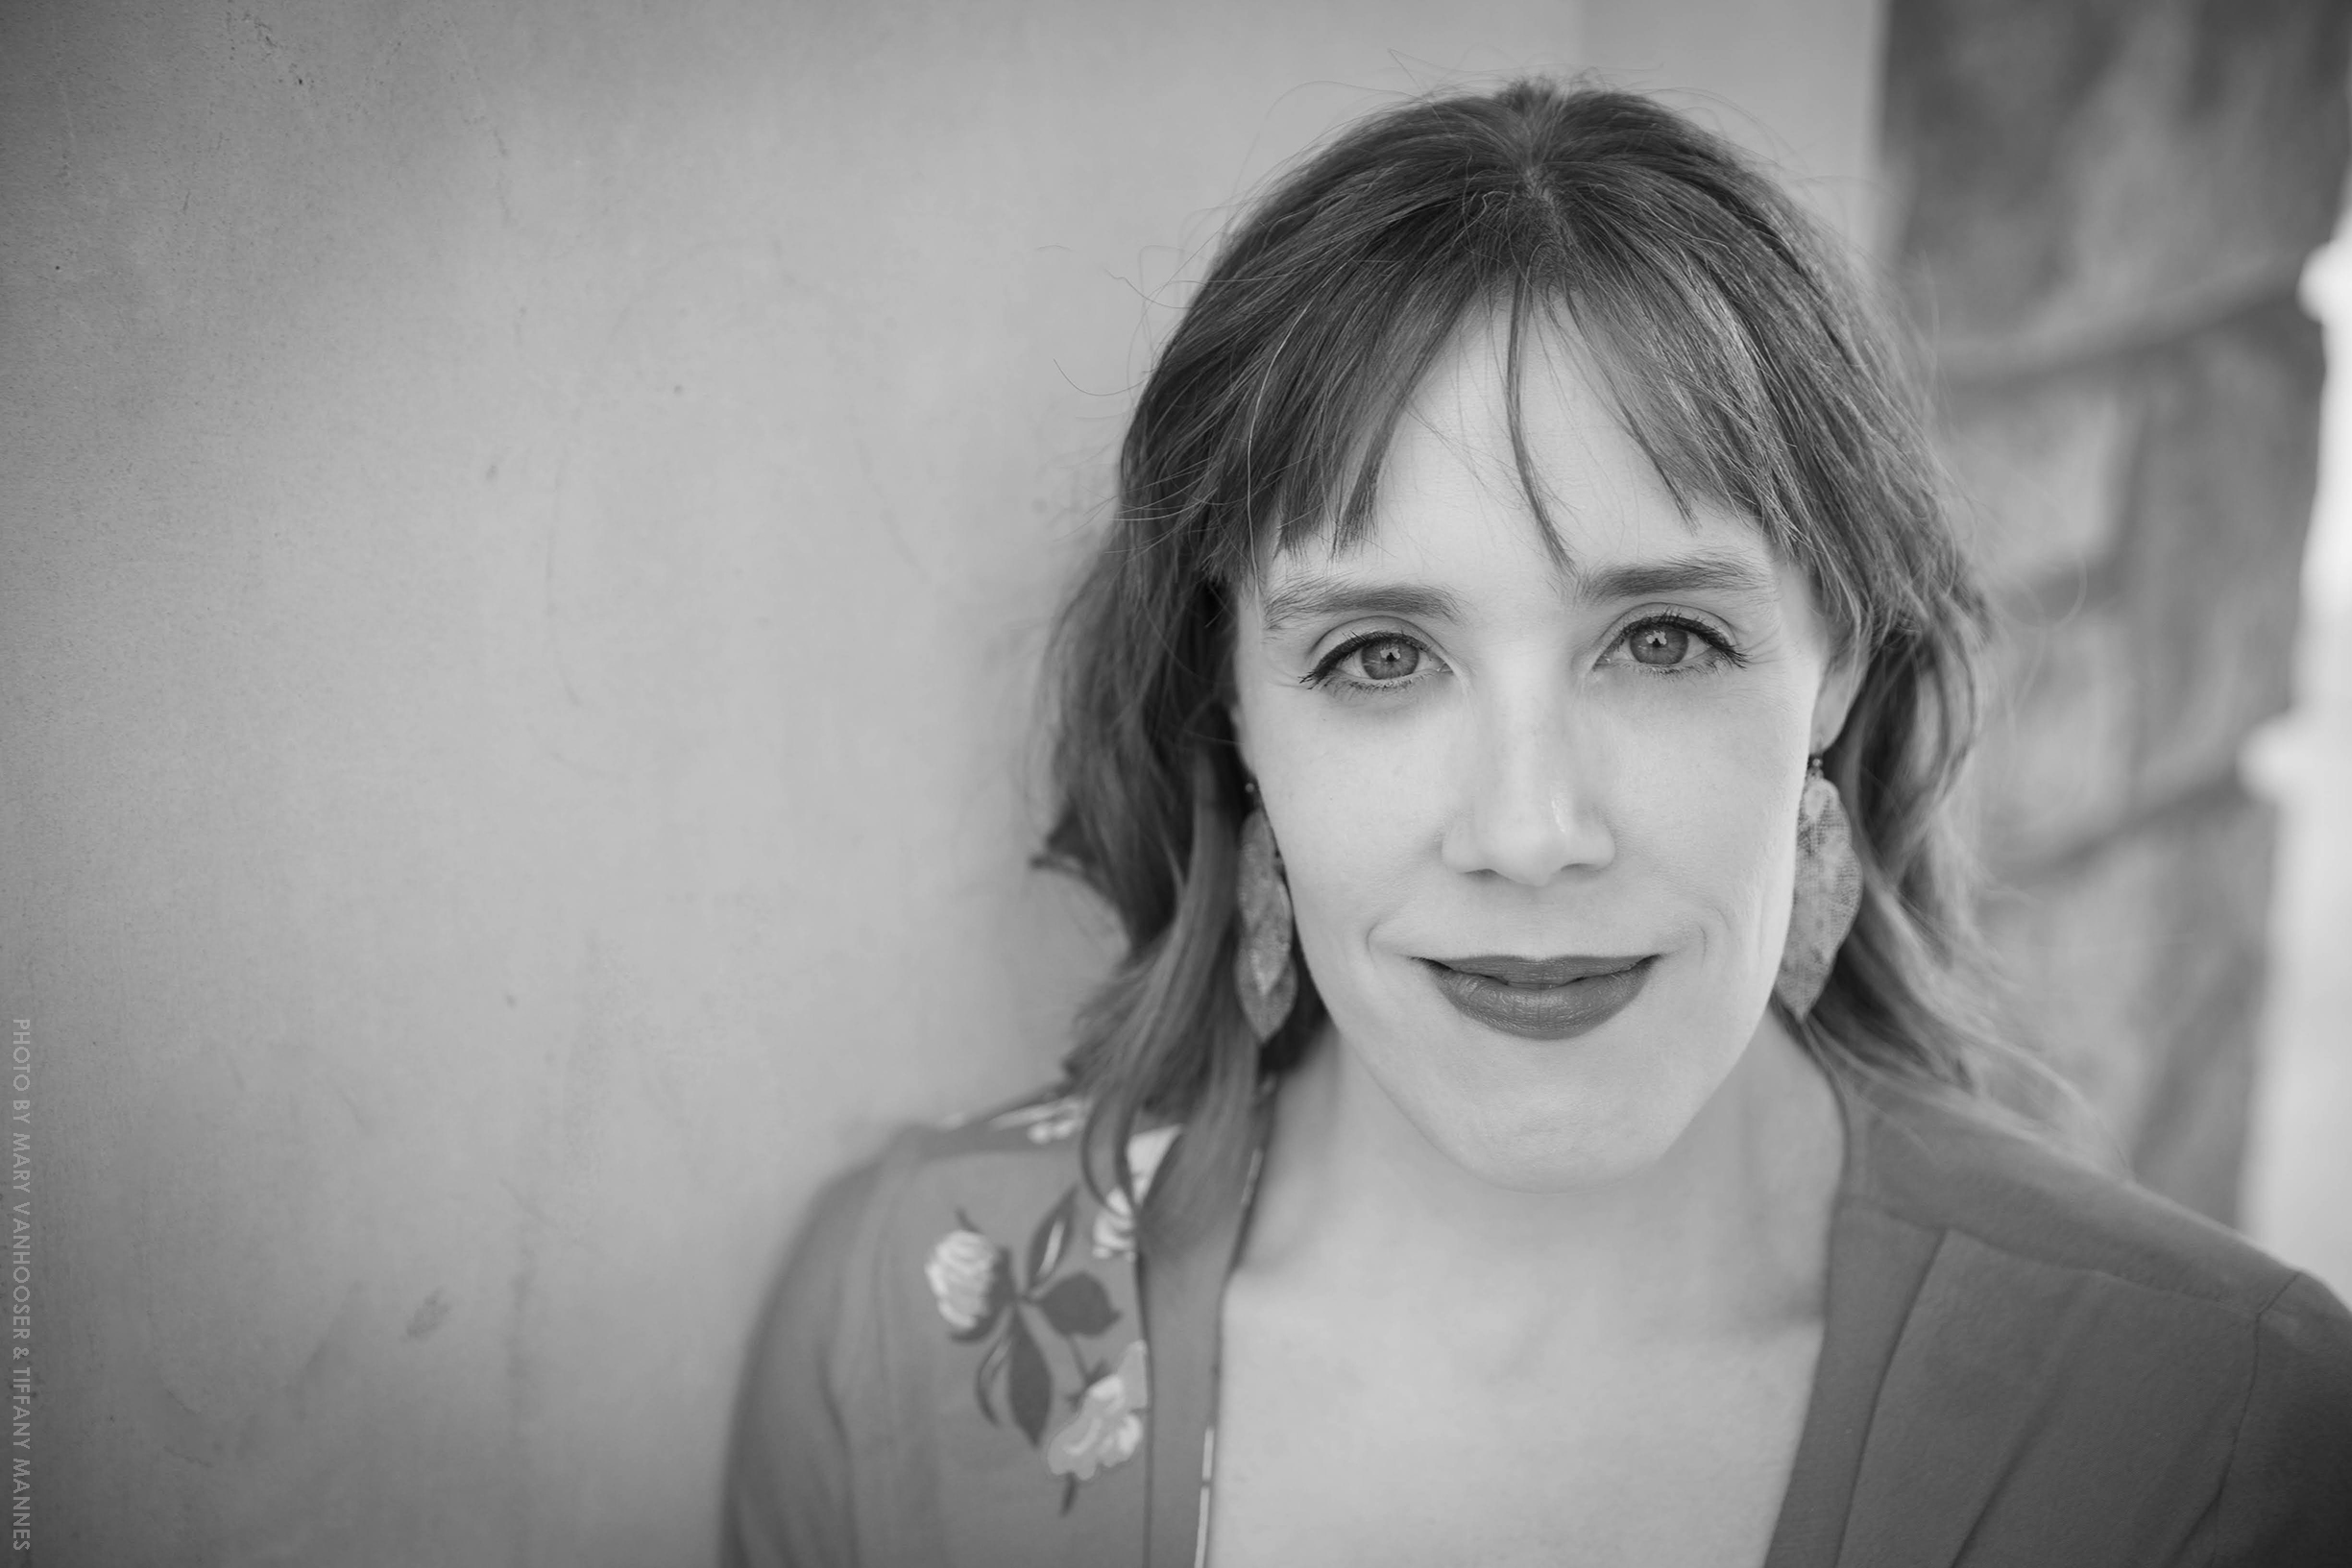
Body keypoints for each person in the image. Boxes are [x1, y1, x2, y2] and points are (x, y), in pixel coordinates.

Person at [722, 80, 2352, 1567]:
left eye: (1660, 641)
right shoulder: (908, 1343)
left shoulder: (2205, 1428)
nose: (1529, 830)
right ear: (1229, 703)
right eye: (1378, 655)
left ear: (1836, 663)